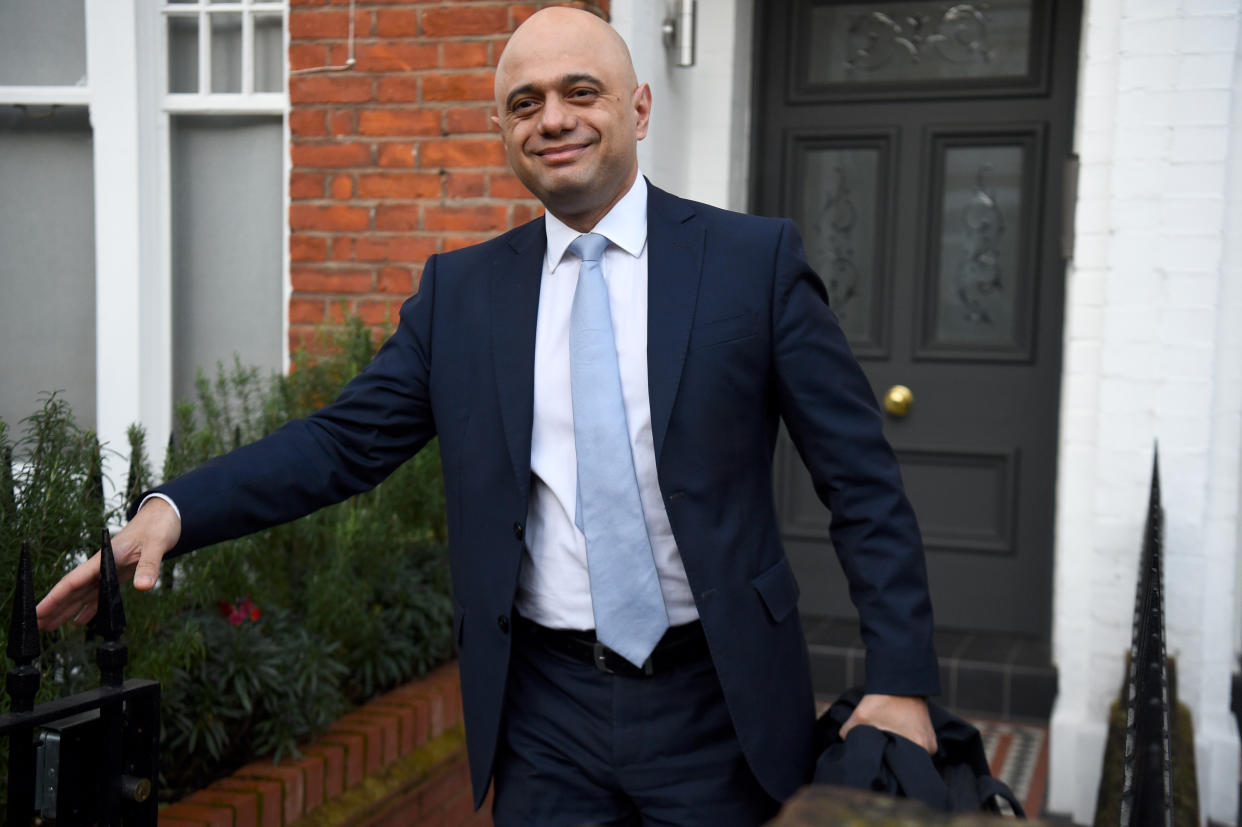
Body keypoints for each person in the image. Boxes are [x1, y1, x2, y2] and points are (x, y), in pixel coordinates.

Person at [38, 7, 939, 825]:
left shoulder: (754, 263)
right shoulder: (460, 295)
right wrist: (171, 511)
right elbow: (341, 442)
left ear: (640, 107)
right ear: (502, 130)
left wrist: (899, 680)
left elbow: (861, 481)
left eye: (580, 92)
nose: (552, 118)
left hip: (721, 703)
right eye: (524, 102)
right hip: (545, 717)